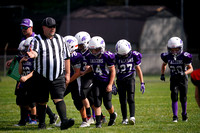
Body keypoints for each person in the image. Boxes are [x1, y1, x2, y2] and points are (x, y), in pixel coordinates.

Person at [27, 17, 74, 130]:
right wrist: (32, 54)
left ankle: (64, 122)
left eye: (54, 26)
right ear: (44, 27)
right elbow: (34, 51)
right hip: (41, 75)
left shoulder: (60, 39)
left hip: (58, 74)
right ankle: (42, 124)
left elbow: (66, 57)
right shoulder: (36, 40)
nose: (53, 29)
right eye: (50, 27)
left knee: (59, 98)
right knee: (42, 101)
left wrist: (67, 74)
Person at [82, 36, 117, 128]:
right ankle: (98, 123)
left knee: (107, 104)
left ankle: (113, 115)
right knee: (97, 102)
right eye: (92, 50)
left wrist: (110, 84)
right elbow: (93, 67)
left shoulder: (107, 56)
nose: (94, 52)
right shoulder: (89, 56)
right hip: (97, 82)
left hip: (106, 82)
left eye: (96, 49)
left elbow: (113, 71)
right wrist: (85, 71)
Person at [75, 31, 106, 124]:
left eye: (81, 45)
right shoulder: (77, 52)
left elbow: (91, 66)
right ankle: (101, 117)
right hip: (82, 76)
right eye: (78, 45)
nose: (79, 47)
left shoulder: (91, 52)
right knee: (90, 98)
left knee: (84, 94)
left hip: (91, 76)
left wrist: (84, 71)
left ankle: (89, 116)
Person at [160, 37, 193, 122]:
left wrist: (184, 73)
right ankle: (175, 116)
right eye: (172, 49)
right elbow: (164, 65)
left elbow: (191, 69)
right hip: (174, 78)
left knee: (183, 97)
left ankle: (184, 114)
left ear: (180, 48)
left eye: (176, 49)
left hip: (183, 79)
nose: (174, 51)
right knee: (174, 96)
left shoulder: (184, 56)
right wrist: (162, 74)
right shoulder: (167, 56)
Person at [115, 39, 145, 125]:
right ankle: (124, 119)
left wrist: (142, 82)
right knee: (122, 100)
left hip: (130, 78)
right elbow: (112, 70)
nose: (124, 57)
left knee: (131, 98)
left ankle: (132, 117)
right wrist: (112, 84)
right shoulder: (115, 57)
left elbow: (138, 69)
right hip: (120, 80)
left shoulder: (134, 55)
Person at [63, 35, 90, 127]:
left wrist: (68, 81)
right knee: (58, 98)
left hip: (74, 81)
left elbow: (77, 73)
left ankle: (85, 120)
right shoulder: (62, 54)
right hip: (65, 80)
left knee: (77, 101)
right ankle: (63, 119)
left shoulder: (76, 56)